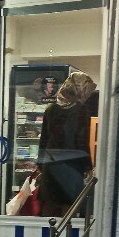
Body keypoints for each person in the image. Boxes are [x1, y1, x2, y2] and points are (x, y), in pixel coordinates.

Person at [37, 71, 97, 217]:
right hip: (71, 165)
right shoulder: (81, 110)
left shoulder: (50, 109)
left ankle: (48, 231)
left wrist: (40, 164)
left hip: (50, 164)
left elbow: (44, 139)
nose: (87, 95)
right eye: (87, 90)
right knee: (69, 209)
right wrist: (88, 166)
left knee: (49, 206)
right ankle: (65, 233)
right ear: (79, 89)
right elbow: (81, 141)